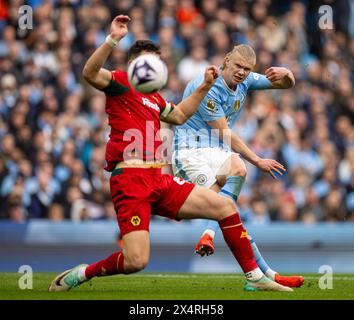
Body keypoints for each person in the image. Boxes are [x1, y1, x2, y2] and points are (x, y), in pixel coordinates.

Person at [49, 15, 292, 292]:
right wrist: (112, 39)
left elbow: (178, 115)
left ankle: (254, 276)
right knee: (136, 261)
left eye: (157, 63)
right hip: (131, 179)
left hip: (159, 179)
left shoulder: (155, 99)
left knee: (225, 207)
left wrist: (203, 86)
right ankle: (83, 273)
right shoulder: (120, 83)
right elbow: (90, 74)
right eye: (147, 63)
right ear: (133, 65)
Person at [172, 44, 304, 287]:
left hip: (216, 152)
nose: (242, 72)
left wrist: (287, 74)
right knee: (225, 208)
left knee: (238, 172)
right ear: (226, 61)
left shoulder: (245, 80)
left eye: (247, 69)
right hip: (190, 153)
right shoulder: (209, 86)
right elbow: (225, 133)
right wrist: (258, 159)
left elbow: (285, 84)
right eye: (238, 66)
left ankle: (212, 237)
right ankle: (266, 274)